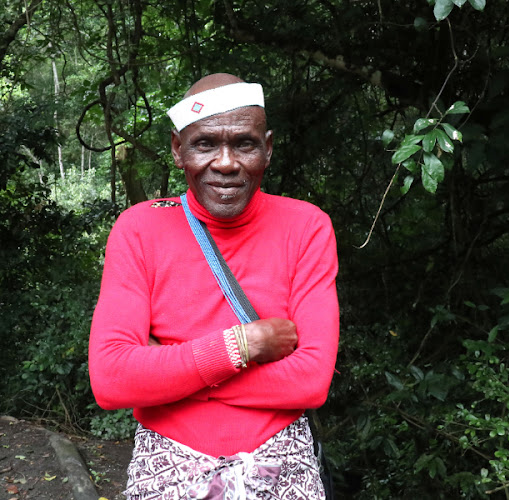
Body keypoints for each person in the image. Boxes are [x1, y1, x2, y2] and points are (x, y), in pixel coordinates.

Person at [88, 73, 339, 499]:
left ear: (268, 148)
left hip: (282, 462)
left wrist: (167, 374)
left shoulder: (306, 226)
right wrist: (244, 345)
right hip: (167, 463)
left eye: (244, 143)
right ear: (177, 150)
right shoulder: (139, 229)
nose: (225, 162)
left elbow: (311, 381)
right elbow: (111, 380)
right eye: (205, 144)